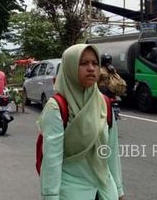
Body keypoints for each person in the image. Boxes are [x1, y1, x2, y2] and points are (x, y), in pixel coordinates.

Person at [38, 44, 124, 200]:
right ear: (70, 67)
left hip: (105, 191)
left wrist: (119, 191)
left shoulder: (103, 103)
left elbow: (111, 152)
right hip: (71, 193)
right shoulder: (57, 107)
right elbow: (52, 160)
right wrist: (50, 196)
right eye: (83, 63)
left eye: (95, 63)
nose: (91, 68)